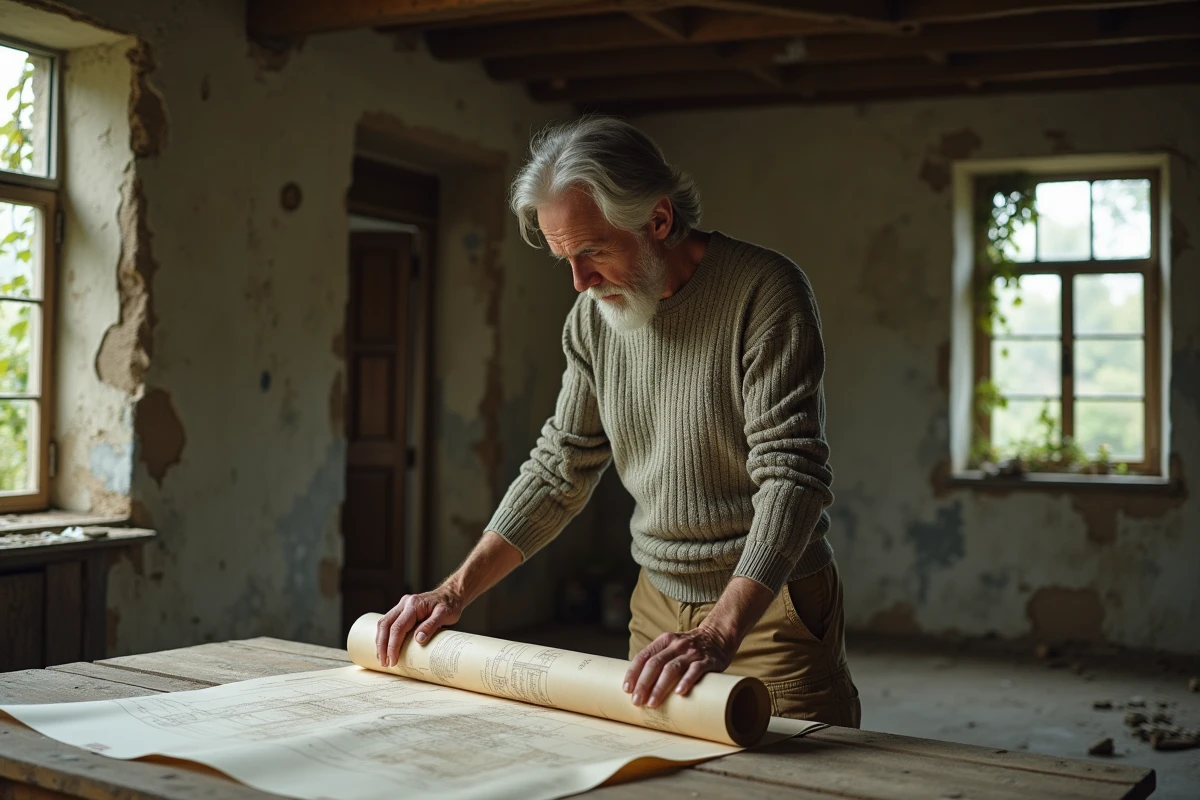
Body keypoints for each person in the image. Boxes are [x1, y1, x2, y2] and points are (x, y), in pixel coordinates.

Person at [375, 116, 860, 726]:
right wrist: (453, 591)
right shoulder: (591, 319)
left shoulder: (765, 292)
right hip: (656, 601)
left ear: (658, 220)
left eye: (592, 252)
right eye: (564, 260)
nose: (580, 282)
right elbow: (559, 468)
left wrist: (719, 631)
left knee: (800, 776)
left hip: (767, 603)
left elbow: (792, 477)